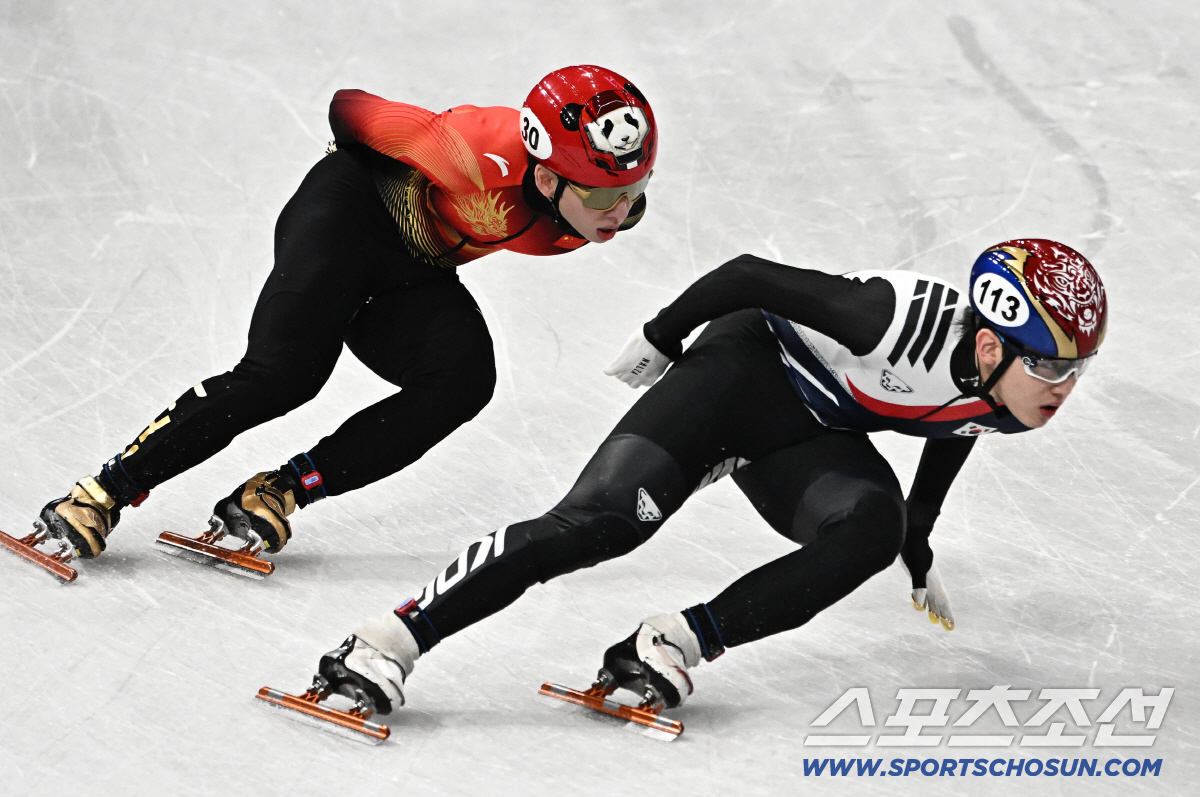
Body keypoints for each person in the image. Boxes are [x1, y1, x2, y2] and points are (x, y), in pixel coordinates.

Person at [309, 238, 1107, 717]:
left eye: (1077, 368)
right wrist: (662, 335)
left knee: (874, 527)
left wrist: (919, 533)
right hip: (739, 374)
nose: (1063, 387)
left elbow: (954, 426)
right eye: (1048, 364)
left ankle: (669, 642)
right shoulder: (893, 321)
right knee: (602, 524)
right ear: (994, 345)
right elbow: (750, 272)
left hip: (809, 432)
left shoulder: (1012, 399)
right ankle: (388, 638)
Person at [29, 65, 658, 568]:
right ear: (547, 179)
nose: (622, 211)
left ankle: (279, 490)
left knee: (464, 380)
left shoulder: (597, 212)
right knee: (286, 375)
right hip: (344, 219)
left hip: (414, 268)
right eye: (605, 195)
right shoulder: (470, 146)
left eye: (636, 189)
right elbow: (348, 106)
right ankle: (101, 493)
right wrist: (374, 173)